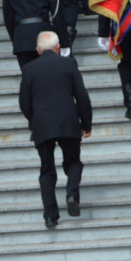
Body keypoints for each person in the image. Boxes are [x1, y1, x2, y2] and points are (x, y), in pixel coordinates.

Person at [18, 31, 93, 229]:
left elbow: (24, 103)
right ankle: (71, 194)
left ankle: (50, 216)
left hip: (42, 126)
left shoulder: (28, 69)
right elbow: (82, 97)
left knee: (47, 170)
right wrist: (86, 124)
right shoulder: (68, 64)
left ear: (37, 50)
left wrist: (34, 121)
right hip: (68, 122)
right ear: (58, 48)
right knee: (73, 162)